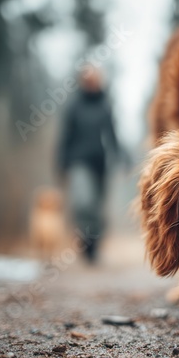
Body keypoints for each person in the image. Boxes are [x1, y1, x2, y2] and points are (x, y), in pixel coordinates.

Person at [57, 66, 119, 263]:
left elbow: (112, 134)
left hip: (99, 163)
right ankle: (85, 242)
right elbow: (65, 136)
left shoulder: (104, 105)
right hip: (78, 162)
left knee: (97, 208)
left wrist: (119, 156)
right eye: (88, 80)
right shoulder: (74, 106)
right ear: (83, 82)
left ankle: (94, 247)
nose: (92, 82)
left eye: (95, 79)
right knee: (83, 202)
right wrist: (61, 164)